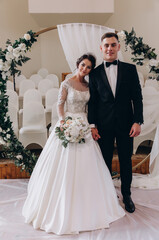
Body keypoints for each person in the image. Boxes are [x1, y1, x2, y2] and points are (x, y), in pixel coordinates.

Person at [22, 53, 125, 235]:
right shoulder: (66, 83)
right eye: (83, 65)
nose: (84, 69)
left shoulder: (88, 85)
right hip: (67, 123)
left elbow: (89, 107)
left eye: (88, 67)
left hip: (84, 124)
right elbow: (60, 105)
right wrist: (64, 122)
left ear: (90, 70)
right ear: (78, 64)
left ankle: (89, 204)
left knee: (88, 165)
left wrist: (89, 125)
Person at [88, 32, 143, 213]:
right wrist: (92, 125)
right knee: (104, 161)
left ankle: (126, 195)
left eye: (113, 45)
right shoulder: (94, 74)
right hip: (103, 126)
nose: (110, 48)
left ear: (118, 47)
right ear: (101, 48)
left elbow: (137, 98)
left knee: (126, 160)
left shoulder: (130, 69)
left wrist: (137, 121)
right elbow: (93, 102)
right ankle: (107, 195)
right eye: (106, 45)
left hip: (126, 124)